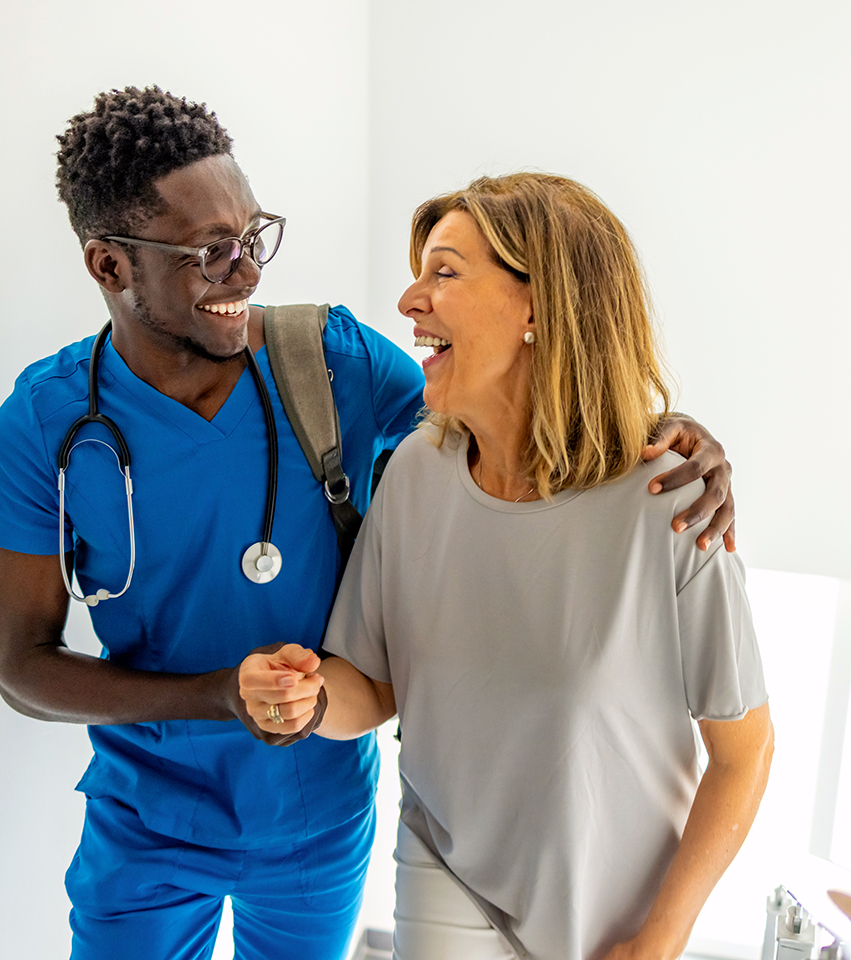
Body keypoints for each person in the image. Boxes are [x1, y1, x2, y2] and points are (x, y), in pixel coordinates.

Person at [0, 84, 733, 960]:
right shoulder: (47, 423)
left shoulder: (328, 362)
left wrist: (661, 432)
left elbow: (505, 421)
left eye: (253, 237)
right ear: (109, 266)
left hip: (316, 816)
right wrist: (218, 694)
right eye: (209, 252)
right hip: (145, 821)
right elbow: (21, 667)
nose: (247, 272)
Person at [239, 173, 774, 960]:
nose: (410, 301)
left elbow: (743, 754)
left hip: (617, 916)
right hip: (446, 866)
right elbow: (375, 684)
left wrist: (659, 940)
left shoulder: (670, 500)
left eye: (445, 271)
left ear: (539, 306)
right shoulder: (418, 473)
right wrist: (306, 698)